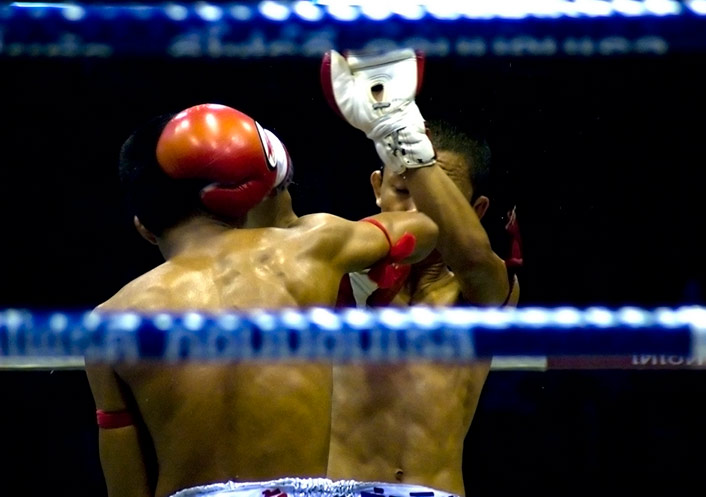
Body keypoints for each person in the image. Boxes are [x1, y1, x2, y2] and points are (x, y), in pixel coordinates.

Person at [84, 102, 440, 497]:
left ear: (144, 229)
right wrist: (288, 222)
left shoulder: (109, 322)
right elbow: (421, 229)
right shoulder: (308, 249)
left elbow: (125, 486)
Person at [322, 49, 521, 497]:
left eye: (434, 197)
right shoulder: (330, 267)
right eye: (402, 189)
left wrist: (405, 140)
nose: (415, 210)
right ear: (377, 188)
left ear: (475, 211)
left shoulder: (483, 288)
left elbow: (471, 256)